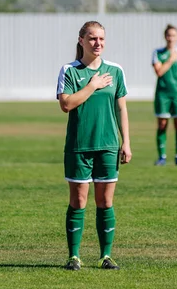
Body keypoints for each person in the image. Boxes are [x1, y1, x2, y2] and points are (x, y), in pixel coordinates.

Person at [56, 20, 132, 270]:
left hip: (108, 146)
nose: (97, 43)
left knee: (105, 202)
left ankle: (106, 256)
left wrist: (126, 142)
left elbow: (121, 107)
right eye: (92, 38)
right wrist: (92, 85)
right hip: (79, 146)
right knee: (78, 201)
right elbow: (66, 104)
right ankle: (73, 256)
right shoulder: (70, 70)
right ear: (81, 41)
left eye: (101, 39)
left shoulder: (116, 70)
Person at [152, 24, 177, 166]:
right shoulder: (158, 53)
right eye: (169, 35)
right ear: (165, 36)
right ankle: (162, 157)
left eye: (173, 35)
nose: (171, 38)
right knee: (162, 124)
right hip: (163, 94)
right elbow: (159, 72)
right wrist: (170, 59)